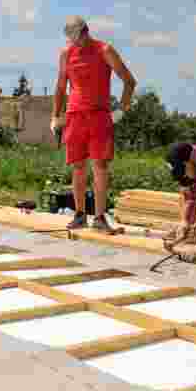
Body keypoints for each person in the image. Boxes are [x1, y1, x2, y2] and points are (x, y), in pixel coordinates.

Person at [51, 16, 137, 231]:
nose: (74, 42)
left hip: (99, 115)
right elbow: (61, 87)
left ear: (85, 31)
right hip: (74, 116)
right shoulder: (66, 53)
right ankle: (80, 215)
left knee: (99, 165)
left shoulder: (104, 50)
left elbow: (129, 80)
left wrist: (122, 110)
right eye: (70, 39)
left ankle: (99, 218)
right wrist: (55, 116)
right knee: (78, 166)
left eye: (77, 37)